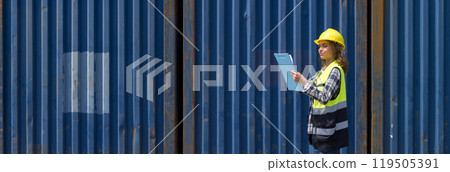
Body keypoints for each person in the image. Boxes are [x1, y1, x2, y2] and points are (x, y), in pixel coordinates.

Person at [291, 28, 349, 154]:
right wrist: (294, 80)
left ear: (335, 48)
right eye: (319, 46)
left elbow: (324, 97)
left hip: (330, 135)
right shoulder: (322, 72)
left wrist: (303, 81)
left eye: (325, 46)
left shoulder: (335, 71)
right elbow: (304, 89)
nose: (320, 49)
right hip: (318, 133)